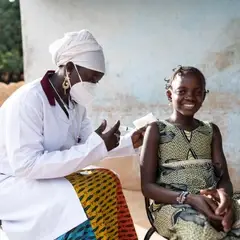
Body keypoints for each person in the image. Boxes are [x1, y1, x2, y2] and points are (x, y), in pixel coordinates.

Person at [0, 30, 144, 240]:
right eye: (91, 78)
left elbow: (91, 144)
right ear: (68, 68)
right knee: (81, 198)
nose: (93, 86)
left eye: (97, 80)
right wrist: (97, 146)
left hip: (45, 178)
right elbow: (25, 165)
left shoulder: (74, 103)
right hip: (13, 184)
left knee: (107, 180)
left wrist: (129, 142)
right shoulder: (29, 101)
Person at [140, 66, 240, 240]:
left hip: (212, 200)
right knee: (200, 231)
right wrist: (190, 199)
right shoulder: (157, 130)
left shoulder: (211, 130)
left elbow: (223, 178)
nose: (190, 97)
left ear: (204, 96)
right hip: (173, 204)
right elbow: (147, 187)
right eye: (182, 91)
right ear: (170, 95)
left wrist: (225, 199)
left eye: (198, 92)